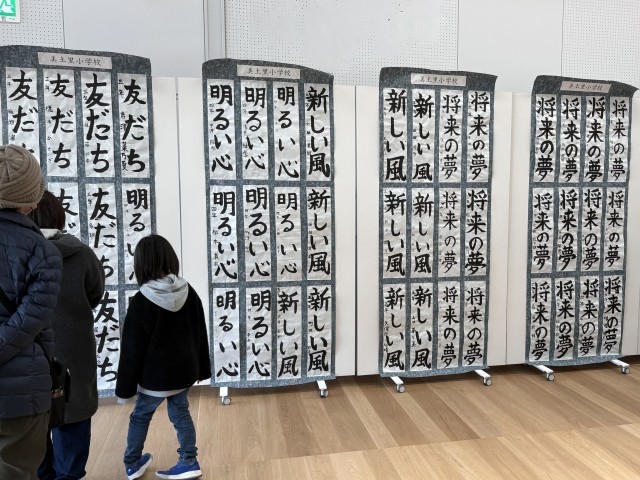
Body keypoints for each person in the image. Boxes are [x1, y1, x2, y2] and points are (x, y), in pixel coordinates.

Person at [116, 234, 211, 480]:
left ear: (141, 264)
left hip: (154, 377)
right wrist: (203, 369)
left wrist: (125, 389)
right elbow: (200, 332)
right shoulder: (188, 291)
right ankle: (189, 461)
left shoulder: (142, 300)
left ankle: (132, 463)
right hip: (183, 373)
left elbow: (132, 349)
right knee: (181, 414)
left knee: (140, 416)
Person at [28, 191, 105, 480]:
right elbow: (94, 294)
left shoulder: (14, 252)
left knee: (32, 425)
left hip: (27, 354)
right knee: (73, 415)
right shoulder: (82, 253)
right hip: (73, 352)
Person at [0, 145, 63, 480]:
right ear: (32, 199)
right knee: (17, 471)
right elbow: (28, 322)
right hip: (21, 392)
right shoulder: (43, 252)